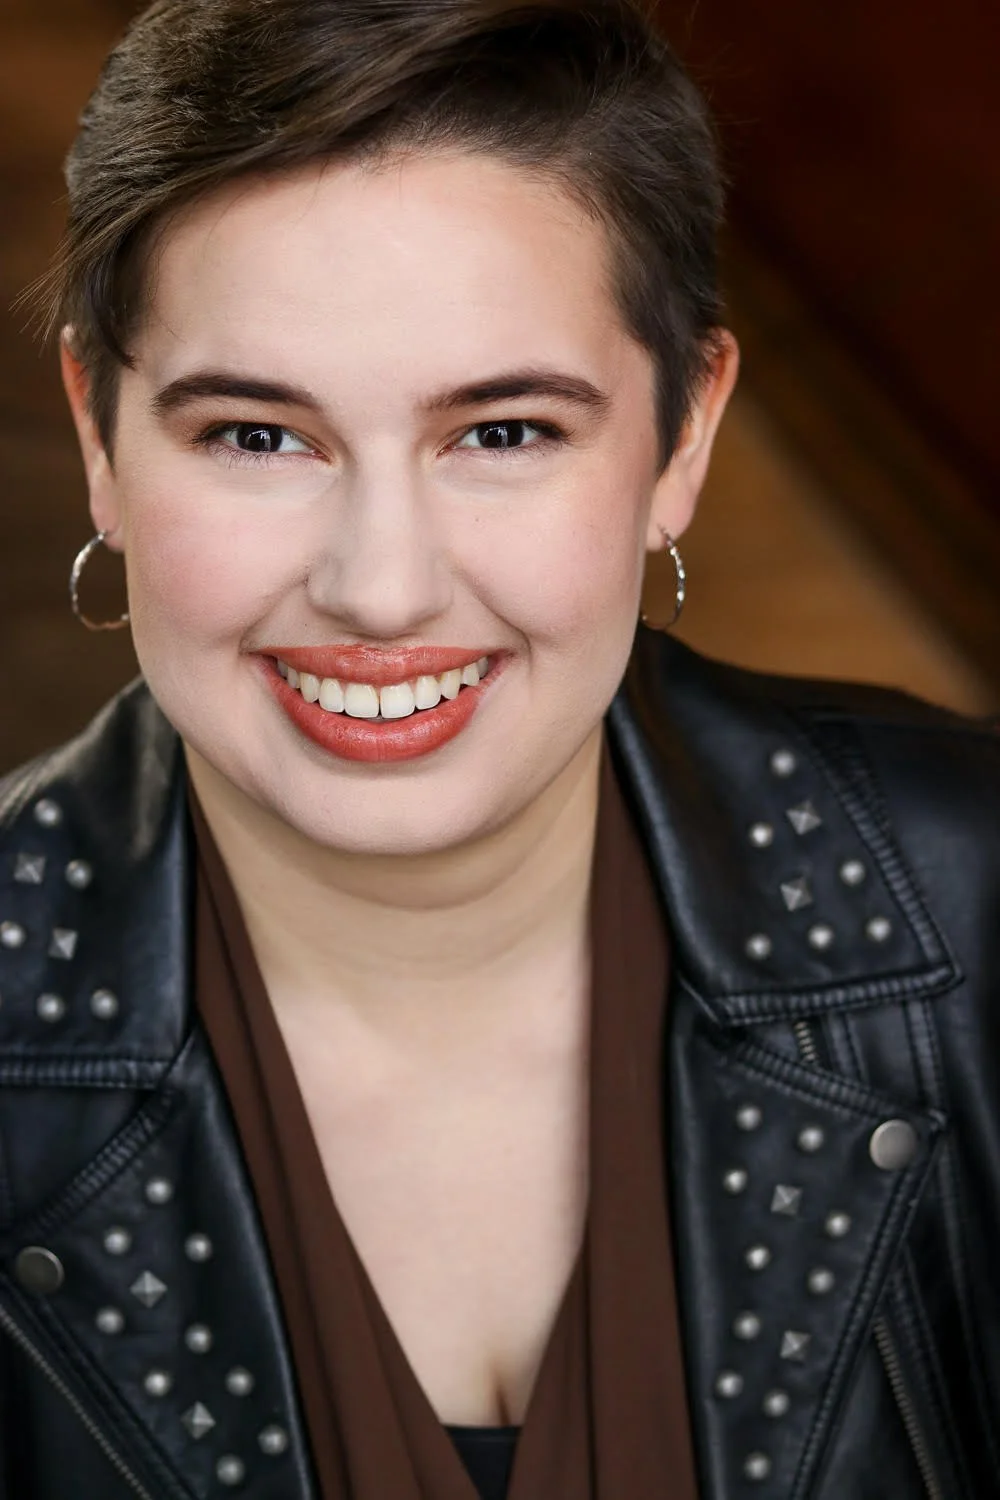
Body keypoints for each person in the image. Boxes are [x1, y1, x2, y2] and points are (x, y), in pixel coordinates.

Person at [1, 0, 997, 1495]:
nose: (382, 586)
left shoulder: (980, 906)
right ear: (100, 439)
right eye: (258, 437)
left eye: (505, 431)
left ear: (681, 437)